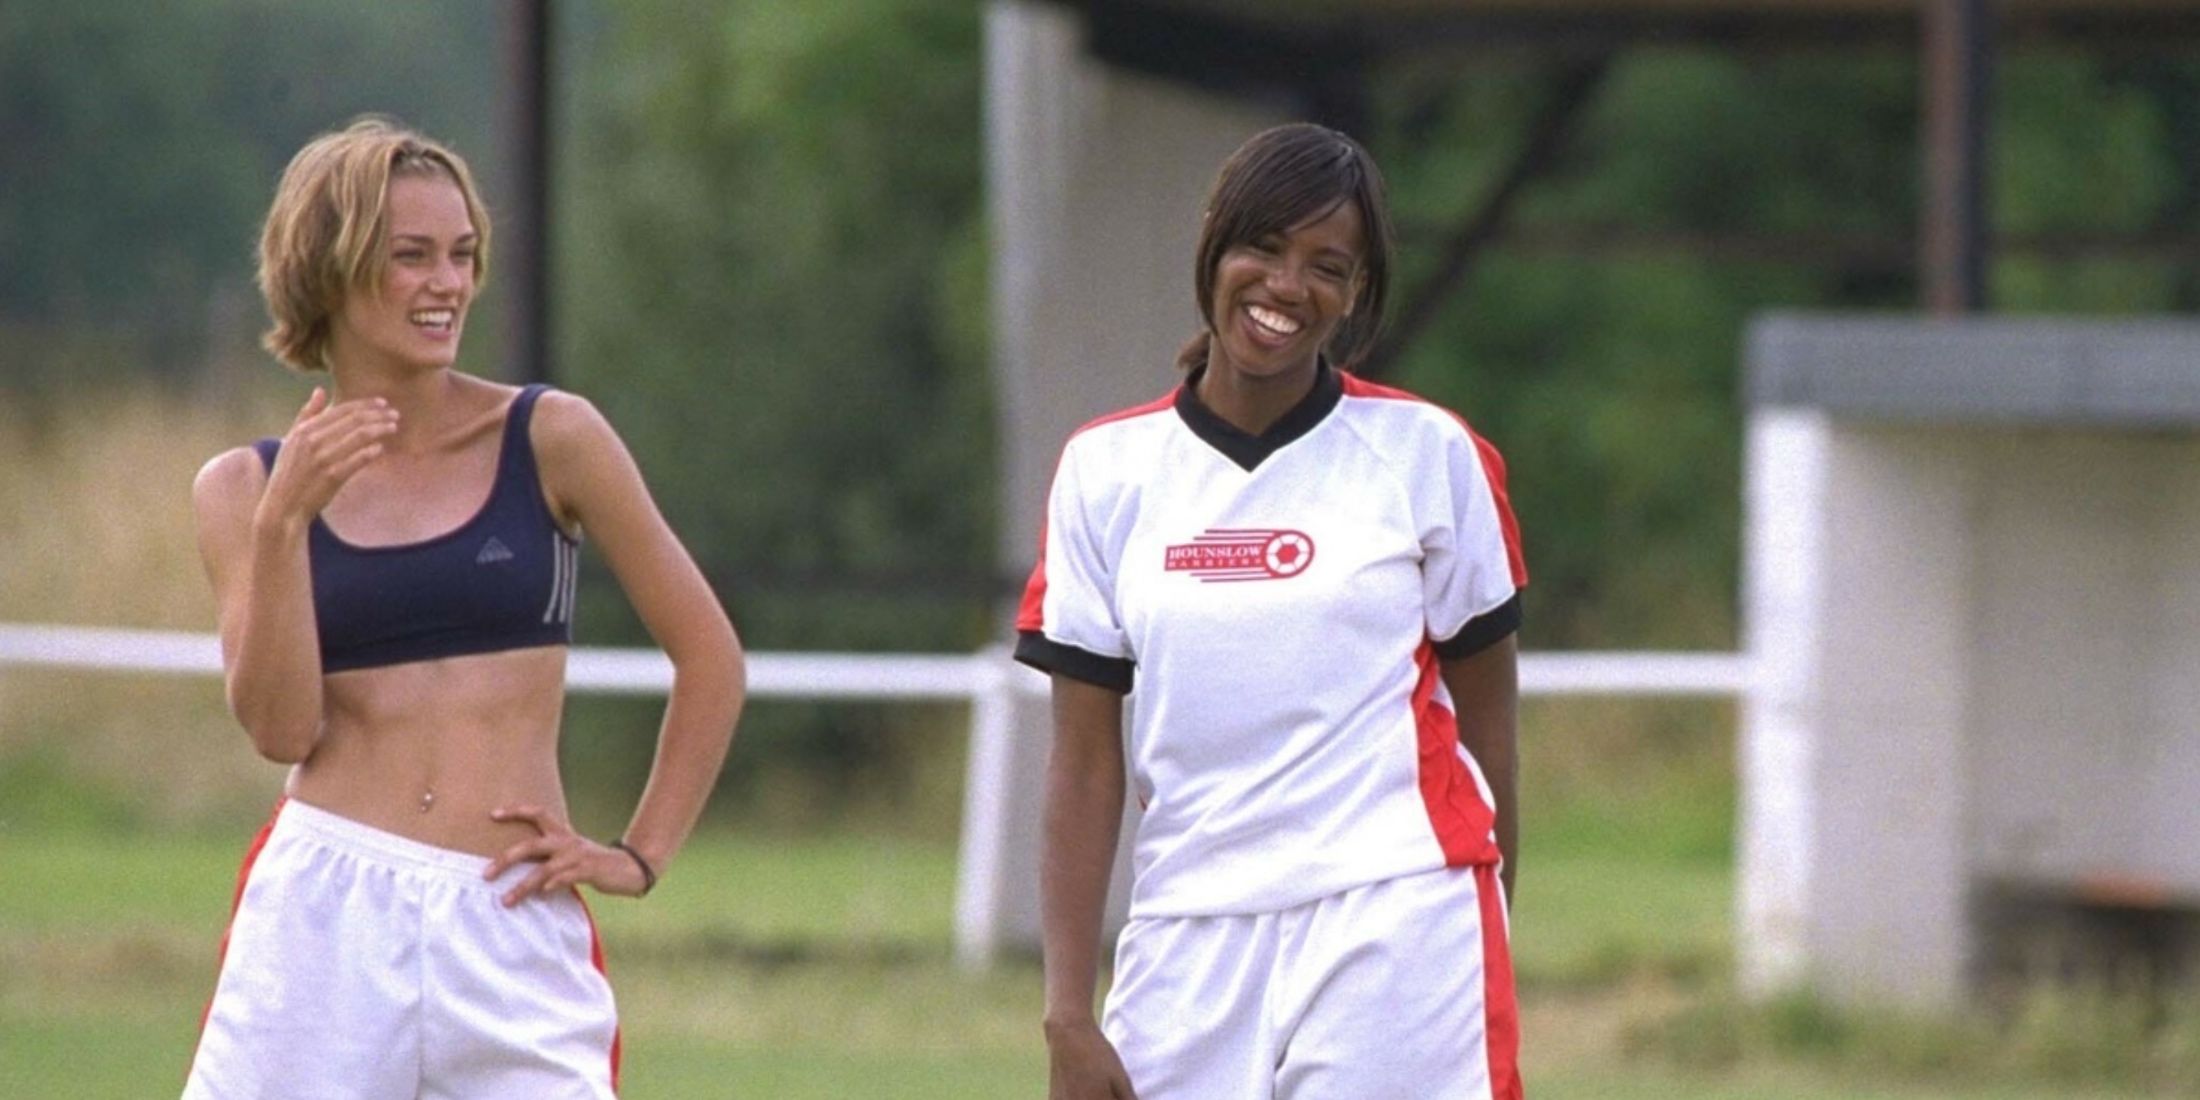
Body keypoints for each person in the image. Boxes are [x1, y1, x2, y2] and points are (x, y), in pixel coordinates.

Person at [182, 117, 745, 1099]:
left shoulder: (552, 436)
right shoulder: (244, 488)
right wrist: (284, 526)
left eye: (463, 255)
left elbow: (710, 657)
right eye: (410, 256)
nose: (446, 284)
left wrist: (637, 854)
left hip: (510, 911)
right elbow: (281, 728)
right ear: (330, 267)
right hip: (323, 920)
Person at [1017, 122, 1529, 1099]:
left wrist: (1479, 935)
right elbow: (1082, 762)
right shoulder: (1104, 471)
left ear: (1357, 291)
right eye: (1264, 246)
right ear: (1214, 242)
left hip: (1394, 916)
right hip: (1183, 938)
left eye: (1327, 265)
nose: (1288, 286)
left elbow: (1489, 729)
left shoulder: (1427, 454)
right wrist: (1067, 1012)